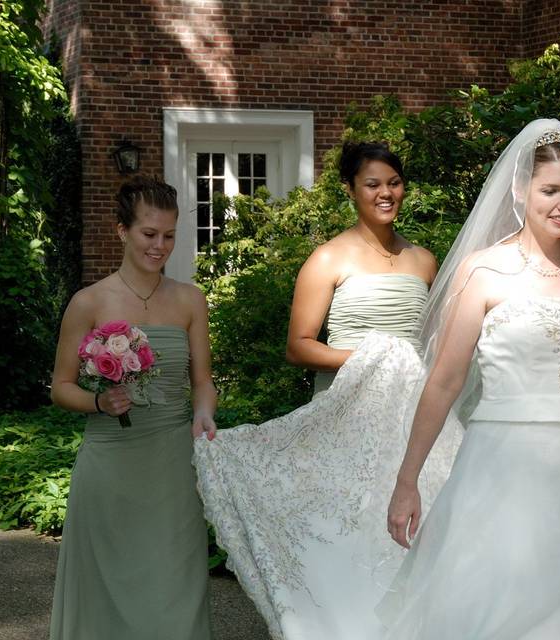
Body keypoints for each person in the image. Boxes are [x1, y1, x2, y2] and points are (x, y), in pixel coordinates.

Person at [380, 119, 560, 639]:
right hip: (501, 465)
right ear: (519, 190)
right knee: (499, 601)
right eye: (550, 190)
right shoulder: (483, 271)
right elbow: (444, 382)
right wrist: (407, 482)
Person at [193, 142, 462, 640]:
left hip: (411, 410)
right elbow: (298, 346)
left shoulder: (424, 260)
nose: (386, 193)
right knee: (350, 525)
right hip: (349, 409)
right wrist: (372, 357)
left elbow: (434, 344)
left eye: (394, 182)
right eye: (372, 184)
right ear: (351, 190)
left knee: (421, 520)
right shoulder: (328, 258)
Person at [49, 176, 217, 639]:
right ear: (121, 230)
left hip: (172, 466)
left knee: (174, 588)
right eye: (149, 234)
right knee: (108, 589)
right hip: (110, 462)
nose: (159, 246)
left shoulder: (190, 300)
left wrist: (204, 414)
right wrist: (99, 401)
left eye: (168, 235)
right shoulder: (89, 302)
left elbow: (202, 382)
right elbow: (61, 387)